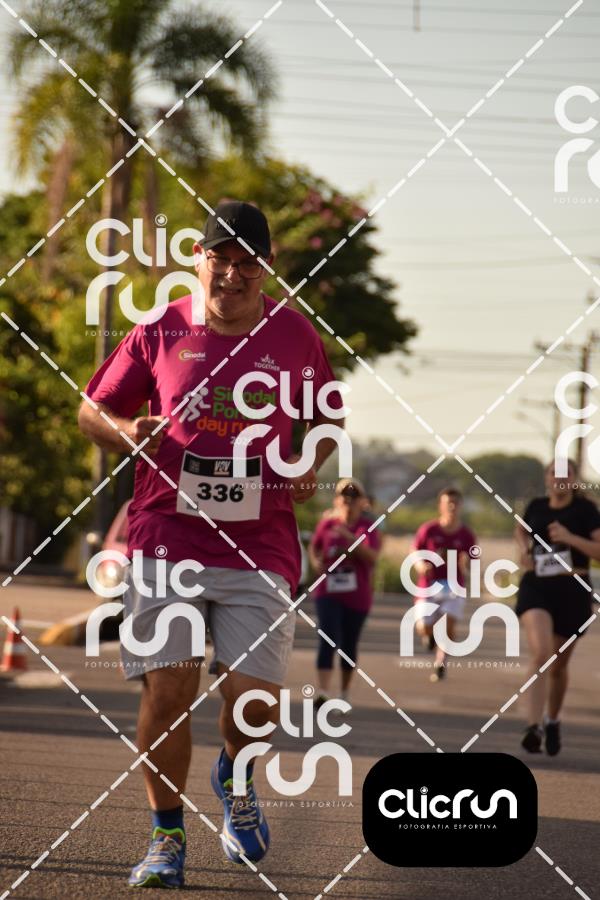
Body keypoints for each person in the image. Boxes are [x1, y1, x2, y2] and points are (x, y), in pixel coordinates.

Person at [79, 200, 343, 888]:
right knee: (168, 689)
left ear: (267, 268)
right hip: (166, 534)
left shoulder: (294, 336)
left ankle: (235, 775)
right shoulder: (160, 329)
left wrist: (309, 460)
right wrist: (125, 433)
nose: (230, 275)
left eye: (245, 264)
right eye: (219, 260)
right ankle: (166, 835)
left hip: (260, 543)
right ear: (197, 259)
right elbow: (91, 410)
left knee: (255, 705)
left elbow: (326, 419)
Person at [515, 460, 600, 756]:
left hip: (572, 590)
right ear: (547, 478)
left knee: (558, 666)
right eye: (555, 473)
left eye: (567, 473)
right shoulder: (536, 506)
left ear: (574, 479)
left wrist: (569, 538)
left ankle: (552, 721)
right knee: (541, 653)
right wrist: (524, 551)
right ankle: (533, 727)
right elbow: (520, 530)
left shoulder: (586, 510)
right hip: (536, 587)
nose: (560, 478)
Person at [309, 478, 381, 708]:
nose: (348, 500)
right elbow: (314, 547)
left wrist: (350, 539)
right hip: (327, 591)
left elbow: (372, 557)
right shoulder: (327, 523)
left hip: (357, 595)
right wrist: (316, 561)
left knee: (349, 643)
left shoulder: (367, 527)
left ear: (362, 502)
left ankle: (344, 693)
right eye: (343, 495)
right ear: (336, 500)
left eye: (353, 496)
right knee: (327, 636)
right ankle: (323, 691)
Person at [411, 488, 477, 683]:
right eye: (448, 503)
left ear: (461, 506)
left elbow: (474, 561)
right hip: (428, 585)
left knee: (448, 623)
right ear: (440, 506)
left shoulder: (466, 535)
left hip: (454, 586)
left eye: (456, 503)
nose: (452, 507)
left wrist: (466, 564)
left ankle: (441, 661)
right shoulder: (429, 530)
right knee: (423, 626)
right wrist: (420, 565)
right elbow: (415, 551)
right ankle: (430, 636)